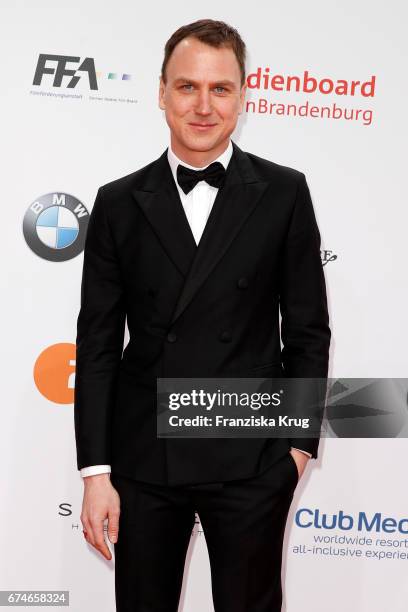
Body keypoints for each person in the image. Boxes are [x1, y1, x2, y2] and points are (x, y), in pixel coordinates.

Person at [74, 18, 331, 612]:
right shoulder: (118, 202)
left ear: (244, 94)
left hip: (249, 457)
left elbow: (309, 330)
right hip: (144, 460)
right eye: (188, 87)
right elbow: (97, 345)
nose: (204, 106)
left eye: (221, 89)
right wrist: (95, 471)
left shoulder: (285, 191)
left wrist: (295, 451)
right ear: (161, 92)